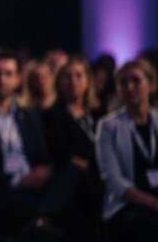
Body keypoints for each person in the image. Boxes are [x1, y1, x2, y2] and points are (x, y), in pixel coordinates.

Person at [0, 47, 72, 236]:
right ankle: (42, 220)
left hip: (34, 183)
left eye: (8, 74)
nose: (2, 79)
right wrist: (18, 180)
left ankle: (42, 219)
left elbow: (43, 155)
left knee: (70, 177)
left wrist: (43, 172)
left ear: (18, 79)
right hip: (1, 187)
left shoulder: (29, 115)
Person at [96, 59, 158, 241]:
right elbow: (113, 180)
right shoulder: (108, 126)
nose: (129, 87)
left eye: (136, 81)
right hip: (127, 203)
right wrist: (153, 203)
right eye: (124, 83)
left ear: (151, 85)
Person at [41, 55, 103, 240]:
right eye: (67, 76)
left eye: (78, 75)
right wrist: (95, 170)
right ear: (59, 82)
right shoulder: (52, 114)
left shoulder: (100, 113)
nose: (73, 81)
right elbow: (63, 154)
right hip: (75, 173)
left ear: (87, 80)